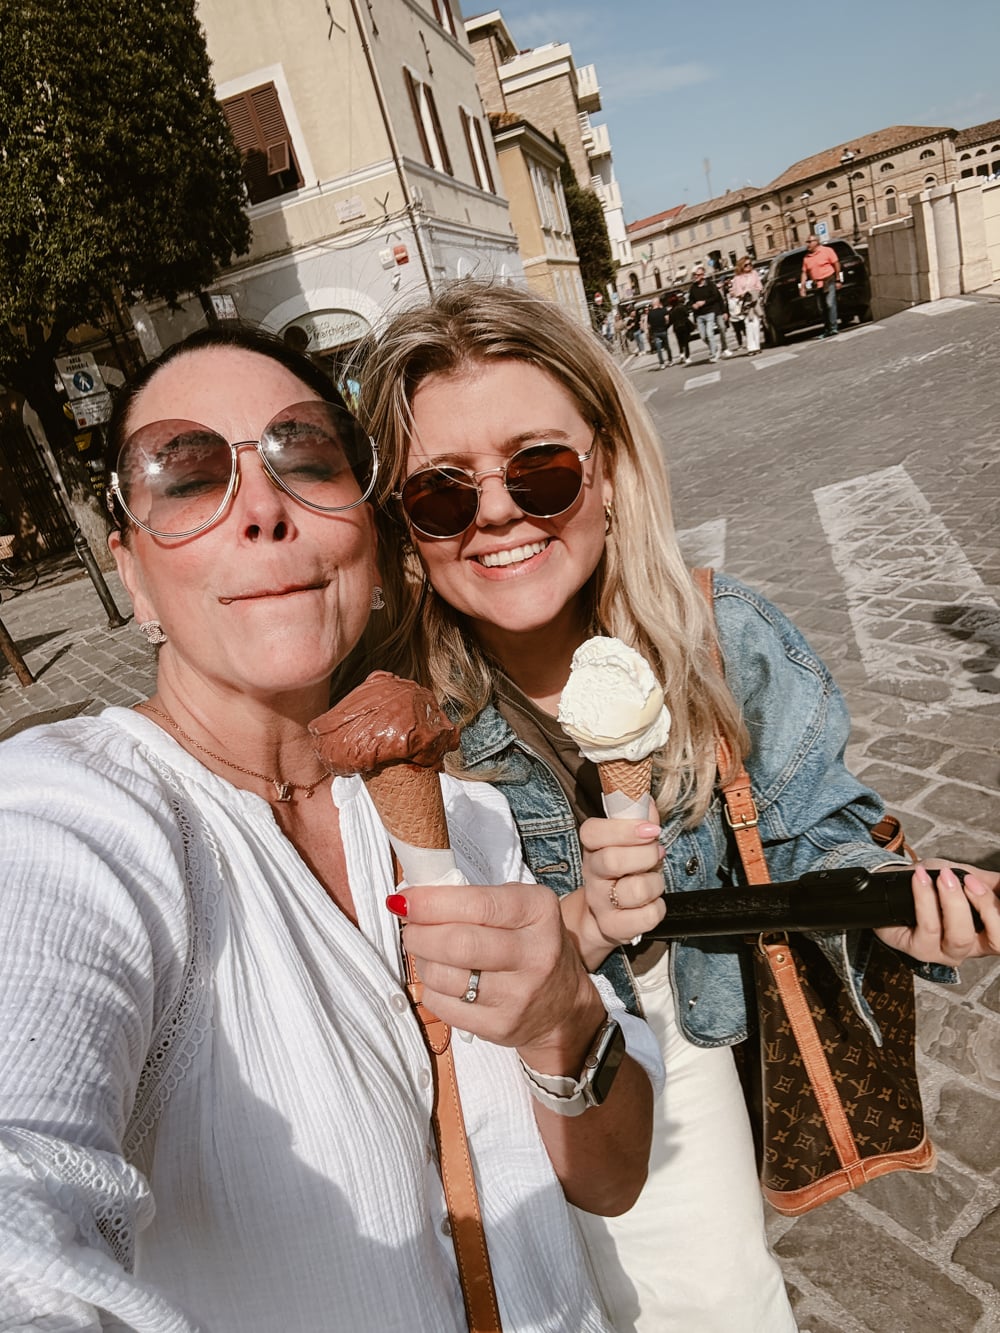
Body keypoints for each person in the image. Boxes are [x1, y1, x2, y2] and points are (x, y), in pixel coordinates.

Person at [357, 279, 1000, 1333]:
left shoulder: (720, 640)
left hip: (663, 1044)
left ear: (607, 469)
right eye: (441, 493)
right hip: (471, 1100)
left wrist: (889, 898)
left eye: (540, 467)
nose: (498, 512)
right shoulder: (395, 720)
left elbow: (814, 829)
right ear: (405, 528)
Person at [0, 325, 661, 1332]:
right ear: (129, 572)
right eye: (187, 476)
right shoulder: (72, 817)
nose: (262, 507)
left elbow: (614, 1178)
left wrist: (563, 1021)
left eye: (305, 457)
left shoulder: (472, 818)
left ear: (372, 540)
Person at [799, 233, 842, 338]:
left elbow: (836, 264)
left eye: (810, 242)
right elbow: (804, 273)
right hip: (817, 284)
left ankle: (834, 327)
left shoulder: (827, 251)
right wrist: (802, 287)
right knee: (821, 308)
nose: (808, 244)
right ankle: (827, 329)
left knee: (830, 304)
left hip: (829, 280)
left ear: (816, 242)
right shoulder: (806, 258)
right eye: (807, 242)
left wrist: (837, 279)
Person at [688, 265, 726, 362]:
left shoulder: (710, 284)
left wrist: (704, 302)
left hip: (710, 312)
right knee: (703, 337)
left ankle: (714, 354)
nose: (696, 277)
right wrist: (693, 306)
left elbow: (715, 297)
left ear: (702, 275)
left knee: (710, 333)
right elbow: (690, 301)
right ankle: (715, 347)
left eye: (698, 275)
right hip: (699, 315)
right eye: (695, 275)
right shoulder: (693, 288)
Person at [730, 255, 764, 355]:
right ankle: (751, 347)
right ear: (741, 266)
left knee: (756, 324)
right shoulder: (737, 278)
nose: (748, 266)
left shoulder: (754, 274)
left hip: (755, 300)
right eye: (746, 265)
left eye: (750, 264)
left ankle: (757, 346)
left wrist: (755, 292)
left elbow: (759, 286)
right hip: (746, 303)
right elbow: (737, 292)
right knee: (749, 324)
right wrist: (744, 294)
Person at [644, 295, 673, 369]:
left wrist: (650, 332)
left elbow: (649, 325)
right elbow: (667, 320)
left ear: (653, 304)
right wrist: (665, 326)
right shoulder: (663, 310)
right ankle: (670, 360)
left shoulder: (650, 313)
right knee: (667, 346)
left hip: (655, 332)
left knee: (658, 349)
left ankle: (662, 363)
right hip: (663, 330)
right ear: (658, 303)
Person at [667, 292, 693, 365]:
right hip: (684, 326)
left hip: (676, 327)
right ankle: (687, 357)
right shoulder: (682, 307)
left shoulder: (671, 311)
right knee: (686, 342)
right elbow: (687, 314)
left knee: (680, 342)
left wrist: (666, 327)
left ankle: (681, 354)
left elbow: (670, 321)